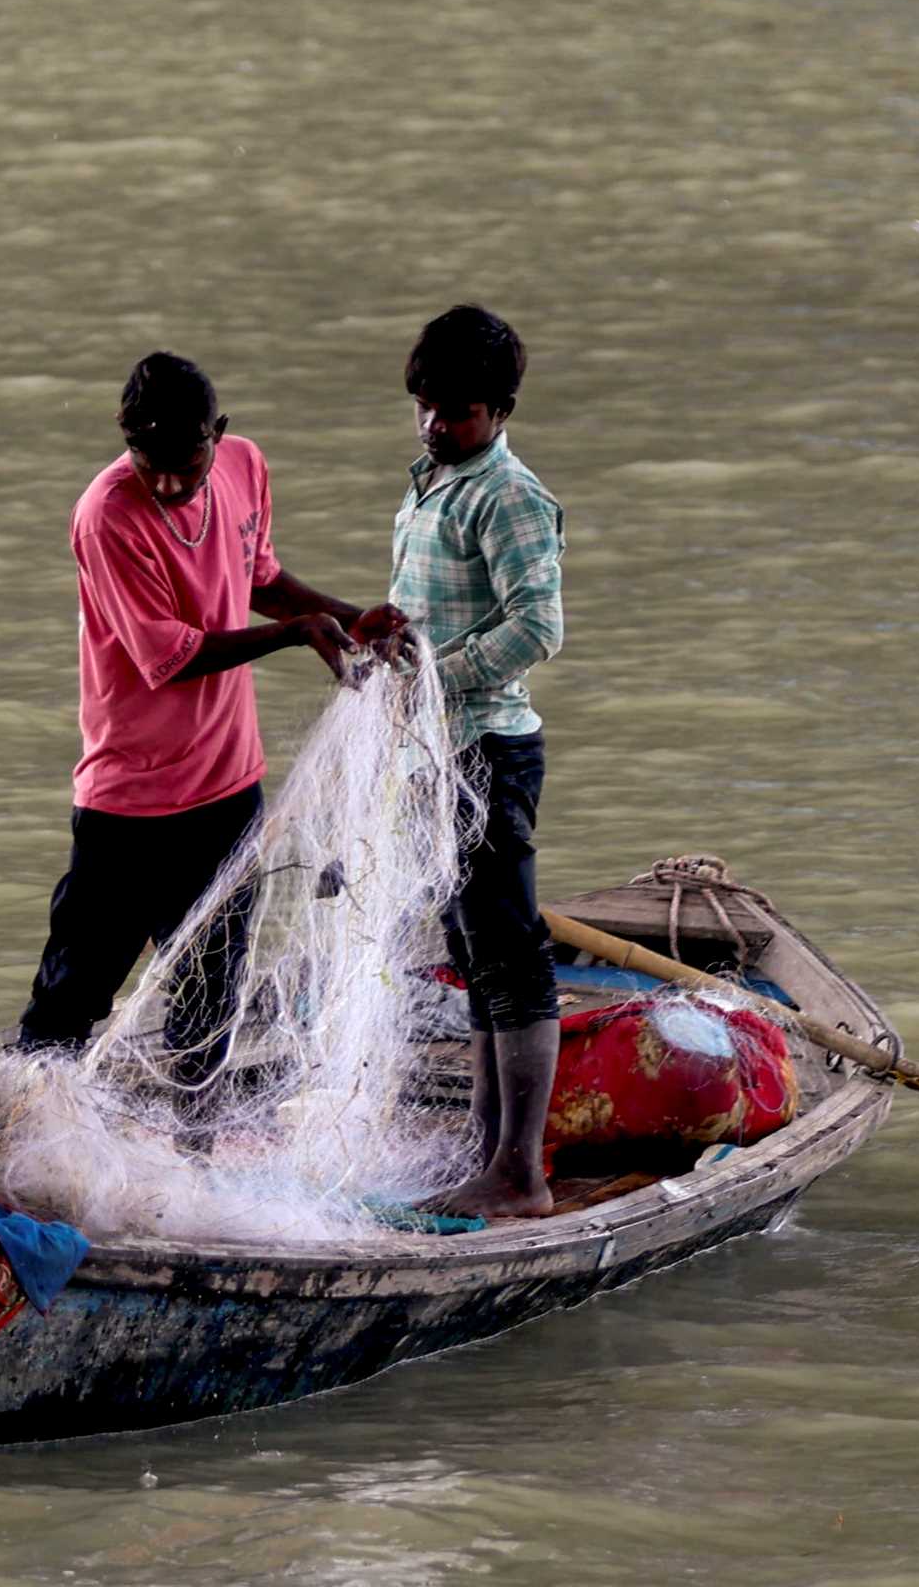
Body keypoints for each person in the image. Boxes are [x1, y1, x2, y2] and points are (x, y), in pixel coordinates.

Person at [15, 349, 396, 1058]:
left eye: (185, 463)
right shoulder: (107, 515)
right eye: (145, 460)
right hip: (129, 803)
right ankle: (32, 1128)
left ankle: (196, 1147)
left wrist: (346, 616)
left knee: (212, 998)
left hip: (226, 792)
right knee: (71, 998)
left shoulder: (245, 467)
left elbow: (263, 580)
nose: (165, 481)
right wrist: (291, 636)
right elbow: (172, 658)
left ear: (216, 433)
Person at [386, 303, 568, 1219]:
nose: (435, 424)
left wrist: (433, 678)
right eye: (425, 405)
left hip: (488, 749)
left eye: (456, 412)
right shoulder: (428, 485)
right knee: (471, 951)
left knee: (510, 952)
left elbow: (539, 627)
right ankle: (488, 1149)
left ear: (499, 412)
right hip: (433, 750)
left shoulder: (509, 495)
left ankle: (521, 1171)